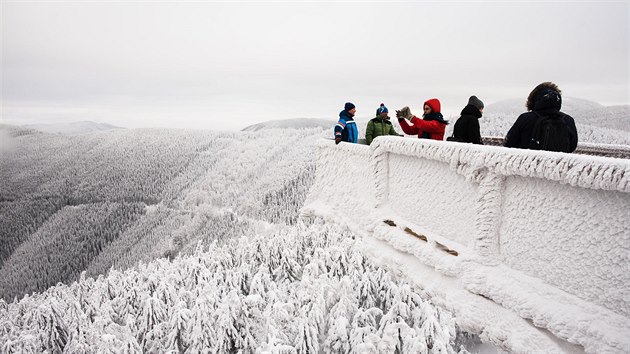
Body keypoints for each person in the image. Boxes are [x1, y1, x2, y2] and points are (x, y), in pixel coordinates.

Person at [504, 82, 578, 152]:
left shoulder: (526, 118)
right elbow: (572, 146)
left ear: (533, 100)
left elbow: (509, 143)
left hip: (528, 164)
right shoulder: (568, 120)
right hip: (557, 164)